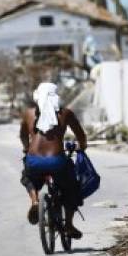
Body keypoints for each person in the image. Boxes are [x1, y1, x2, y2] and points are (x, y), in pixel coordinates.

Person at [19, 82, 87, 239]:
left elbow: (23, 135)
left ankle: (35, 201)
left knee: (28, 177)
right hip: (57, 161)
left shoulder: (29, 114)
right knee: (71, 188)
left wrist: (26, 147)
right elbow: (80, 135)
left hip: (34, 160)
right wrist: (82, 147)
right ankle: (68, 225)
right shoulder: (65, 113)